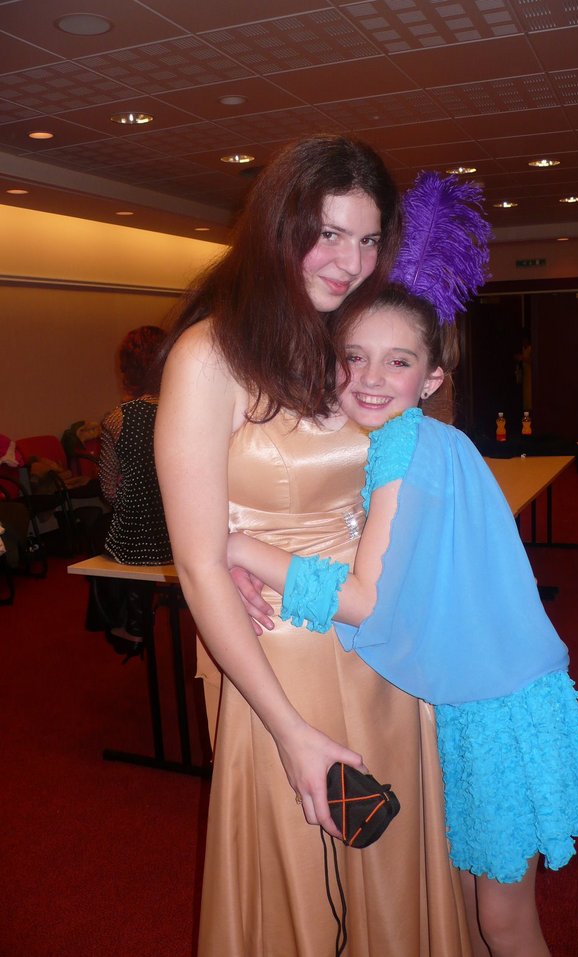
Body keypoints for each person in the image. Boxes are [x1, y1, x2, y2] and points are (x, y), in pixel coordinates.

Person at [155, 135, 471, 956]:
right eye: (328, 233)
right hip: (276, 657)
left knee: (393, 864)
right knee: (302, 871)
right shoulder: (210, 354)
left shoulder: (349, 340)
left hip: (384, 641)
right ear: (281, 227)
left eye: (368, 239)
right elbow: (197, 561)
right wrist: (291, 731)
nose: (351, 261)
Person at [228, 284, 578, 957]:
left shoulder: (400, 446)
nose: (371, 378)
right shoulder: (438, 439)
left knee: (504, 923)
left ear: (431, 378)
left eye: (397, 362)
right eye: (355, 356)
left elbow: (364, 600)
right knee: (474, 910)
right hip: (497, 694)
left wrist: (236, 546)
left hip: (496, 713)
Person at [94, 325, 172, 658]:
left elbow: (108, 490)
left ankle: (131, 624)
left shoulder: (117, 419)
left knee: (107, 533)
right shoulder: (189, 410)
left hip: (137, 541)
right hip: (186, 535)